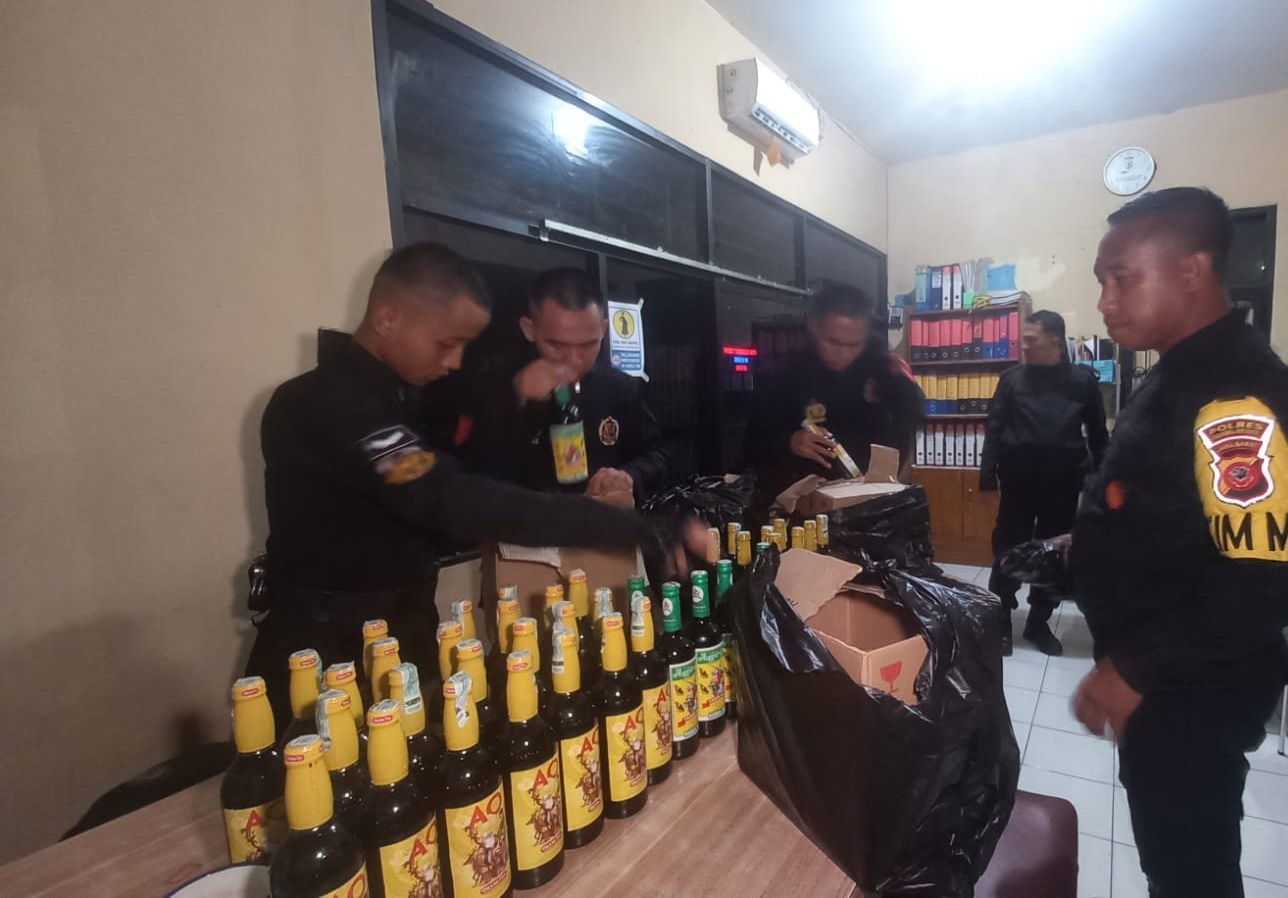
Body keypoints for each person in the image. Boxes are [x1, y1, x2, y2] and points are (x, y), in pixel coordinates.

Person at [246, 244, 680, 729]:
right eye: (445, 343)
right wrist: (627, 527)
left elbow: (453, 481)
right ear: (387, 318)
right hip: (325, 650)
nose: (453, 362)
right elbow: (449, 495)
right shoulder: (327, 402)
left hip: (403, 622)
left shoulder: (395, 398)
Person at [1066, 188, 1288, 897]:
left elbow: (1264, 582)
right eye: (1101, 280)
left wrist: (1133, 669)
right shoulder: (1176, 375)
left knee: (1190, 871)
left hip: (1190, 685)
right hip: (1166, 673)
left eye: (1122, 278)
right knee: (1171, 857)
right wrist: (1078, 545)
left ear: (1192, 270)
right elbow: (1164, 506)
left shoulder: (1238, 397)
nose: (1105, 301)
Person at [457, 267, 669, 506]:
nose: (573, 361)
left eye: (588, 345)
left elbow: (657, 455)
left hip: (596, 522)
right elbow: (467, 470)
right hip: (517, 524)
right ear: (529, 329)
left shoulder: (618, 386)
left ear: (603, 329)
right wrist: (515, 400)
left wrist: (628, 476)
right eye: (556, 345)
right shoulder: (496, 378)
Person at [979, 310, 1108, 656]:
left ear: (1055, 340)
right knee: (1008, 550)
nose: (1023, 345)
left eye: (1030, 339)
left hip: (1063, 483)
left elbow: (1098, 436)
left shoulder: (1082, 381)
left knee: (1053, 556)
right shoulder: (1012, 380)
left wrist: (1102, 485)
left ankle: (1038, 622)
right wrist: (987, 477)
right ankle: (1002, 621)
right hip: (1018, 482)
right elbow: (994, 429)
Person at [743, 284, 924, 498]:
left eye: (853, 345)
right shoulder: (787, 372)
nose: (843, 354)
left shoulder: (882, 364)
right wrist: (790, 441)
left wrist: (886, 467)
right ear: (814, 327)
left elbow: (911, 409)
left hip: (869, 488)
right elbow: (755, 437)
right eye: (833, 342)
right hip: (807, 493)